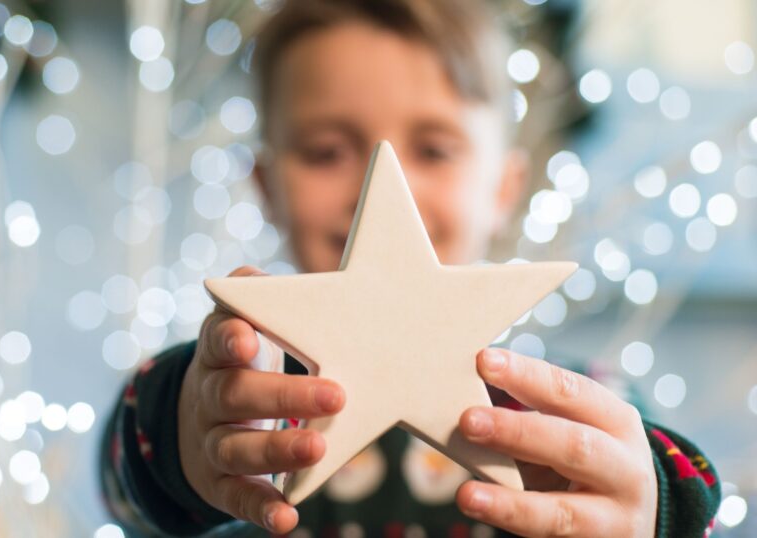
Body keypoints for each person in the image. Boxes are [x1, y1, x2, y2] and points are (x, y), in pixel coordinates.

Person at [99, 0, 720, 536]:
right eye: (325, 151)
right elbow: (124, 485)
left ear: (504, 188)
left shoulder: (568, 412)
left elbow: (690, 503)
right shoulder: (244, 397)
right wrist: (181, 432)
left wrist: (655, 510)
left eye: (434, 149)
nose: (379, 181)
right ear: (266, 186)